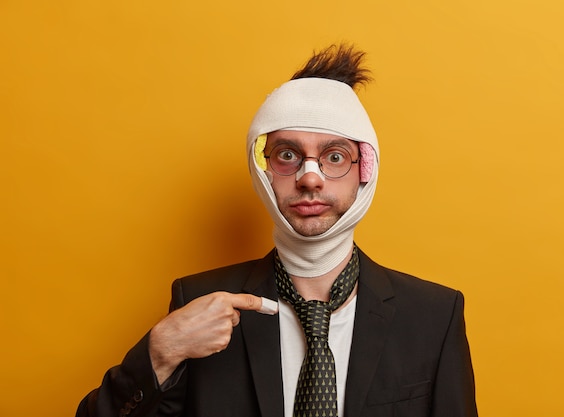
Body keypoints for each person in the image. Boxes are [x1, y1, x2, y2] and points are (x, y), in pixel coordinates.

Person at [76, 44, 478, 417]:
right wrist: (160, 354)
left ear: (365, 171)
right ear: (262, 170)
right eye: (287, 155)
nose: (310, 178)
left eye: (335, 156)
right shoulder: (197, 304)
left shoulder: (433, 317)